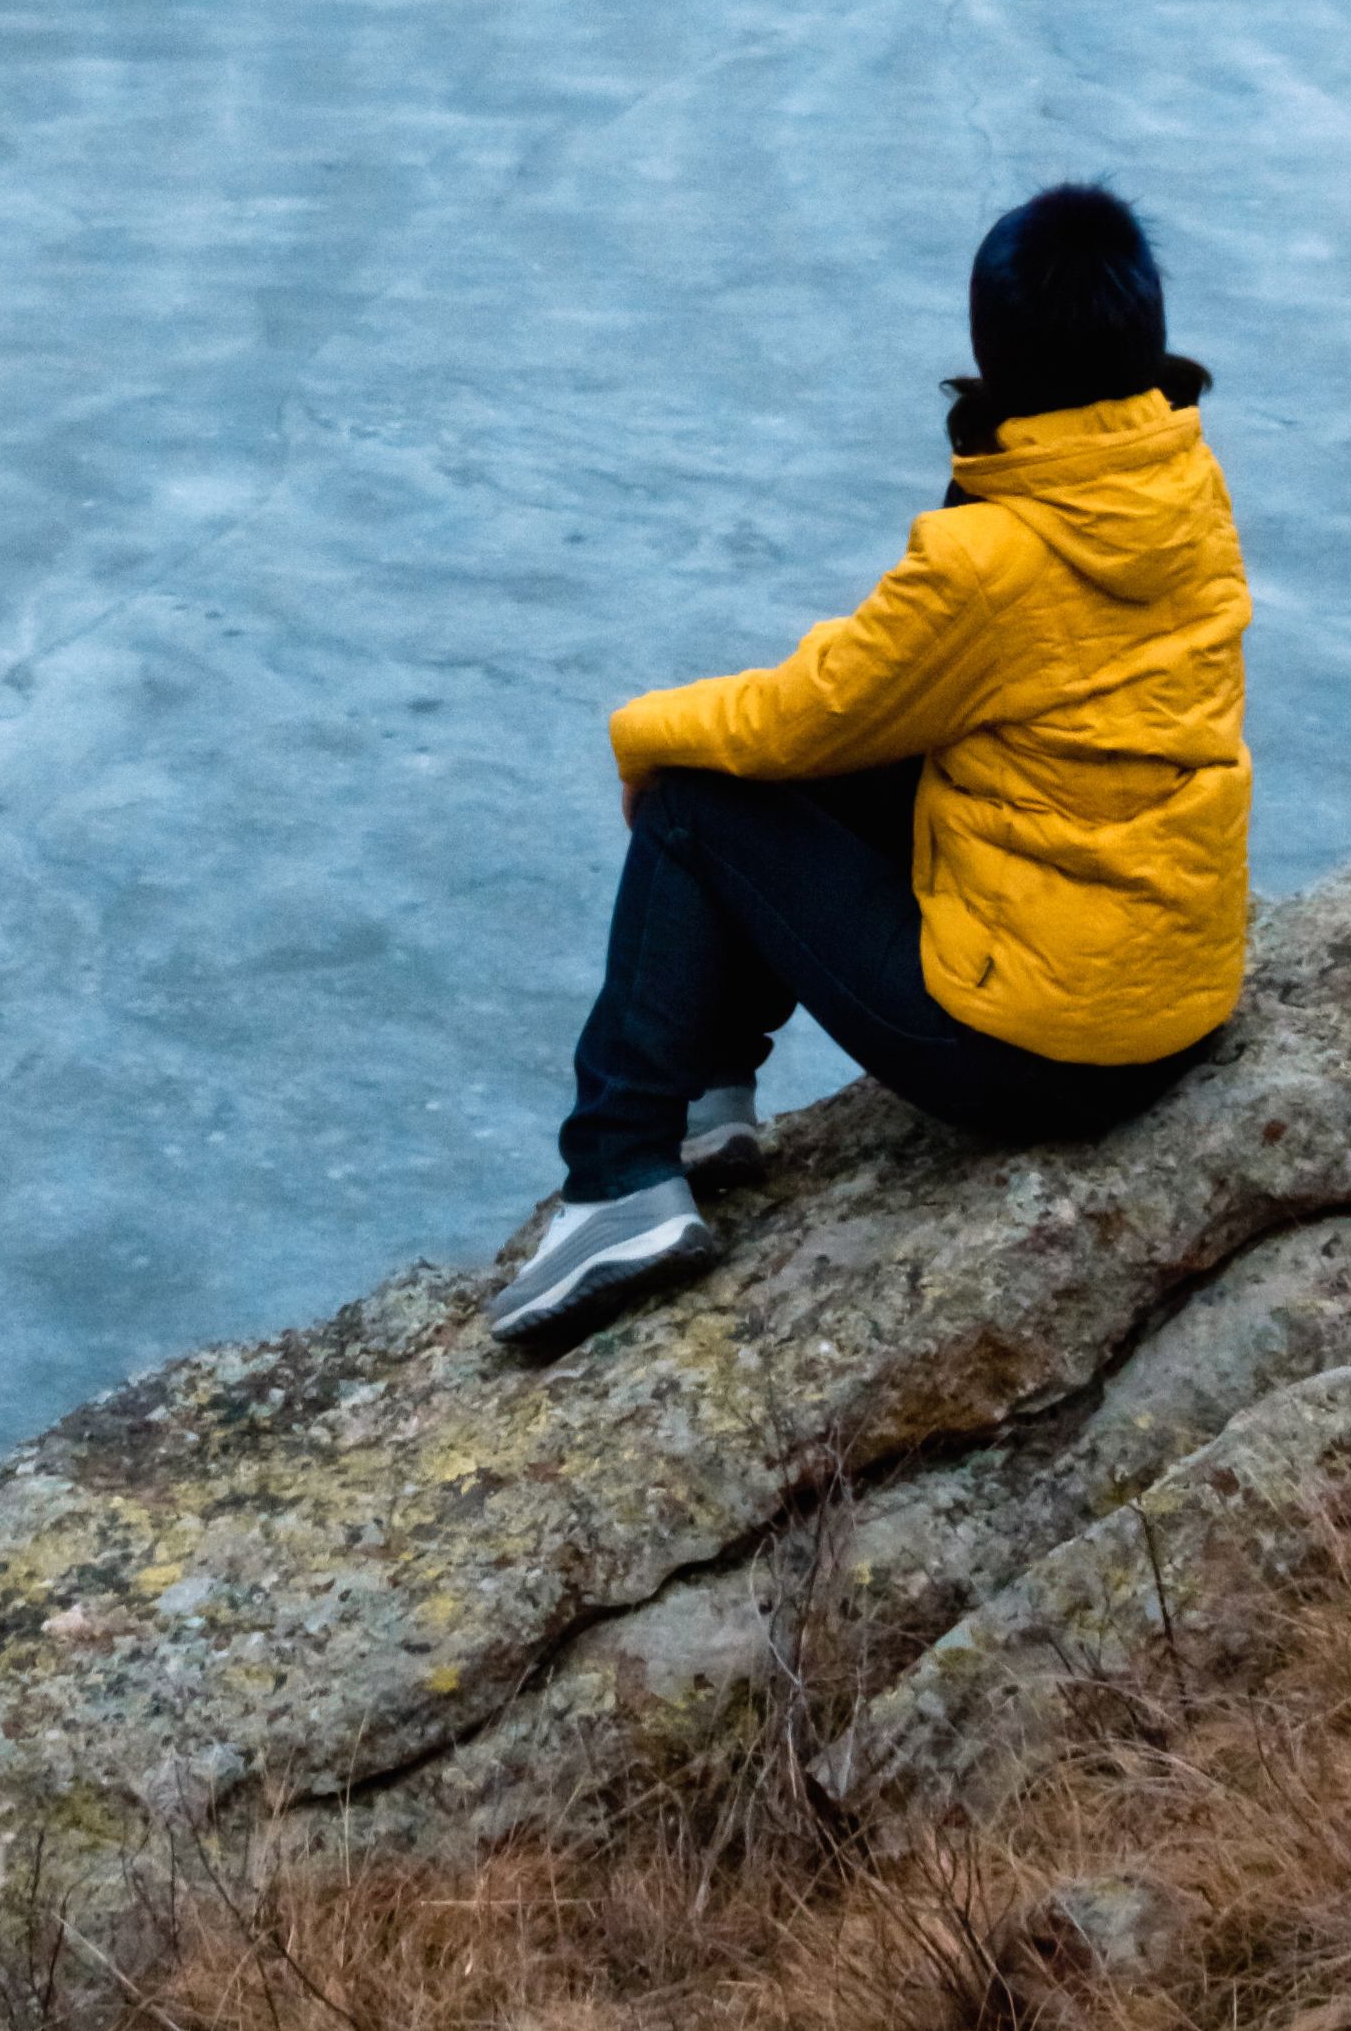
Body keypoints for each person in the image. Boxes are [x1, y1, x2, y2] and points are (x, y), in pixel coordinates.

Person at [491, 179, 1251, 1343]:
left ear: (991, 353)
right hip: (1177, 1007)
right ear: (1144, 342)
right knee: (867, 762)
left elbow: (806, 717)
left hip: (1035, 1052)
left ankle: (617, 1179)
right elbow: (892, 698)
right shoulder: (1178, 487)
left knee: (699, 795)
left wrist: (637, 735)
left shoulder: (991, 556)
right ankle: (706, 1097)